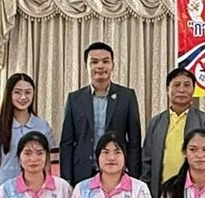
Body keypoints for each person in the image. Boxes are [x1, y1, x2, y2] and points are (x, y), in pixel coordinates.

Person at [59, 42, 143, 185]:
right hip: (82, 171)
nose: (100, 66)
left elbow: (134, 140)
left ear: (112, 65)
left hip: (117, 170)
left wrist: (134, 175)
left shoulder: (127, 96)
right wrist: (66, 178)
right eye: (94, 62)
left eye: (105, 61)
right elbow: (67, 142)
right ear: (86, 66)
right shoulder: (75, 99)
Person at [142, 66, 205, 198]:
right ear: (167, 89)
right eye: (176, 85)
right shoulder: (156, 122)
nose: (181, 90)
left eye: (187, 85)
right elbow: (147, 161)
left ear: (193, 90)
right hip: (162, 192)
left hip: (196, 192)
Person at [0, 73, 53, 196]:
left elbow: (47, 163)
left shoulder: (43, 125)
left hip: (36, 190)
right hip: (6, 189)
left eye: (28, 92)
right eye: (17, 92)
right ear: (9, 94)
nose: (23, 97)